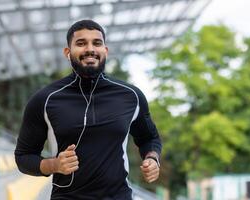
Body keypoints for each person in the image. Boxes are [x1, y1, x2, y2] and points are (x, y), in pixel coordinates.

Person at [15, 19, 162, 200]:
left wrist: (152, 159)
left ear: (105, 51)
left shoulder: (131, 96)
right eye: (81, 43)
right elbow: (23, 157)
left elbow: (149, 138)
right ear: (67, 53)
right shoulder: (45, 99)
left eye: (97, 43)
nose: (90, 49)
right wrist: (54, 165)